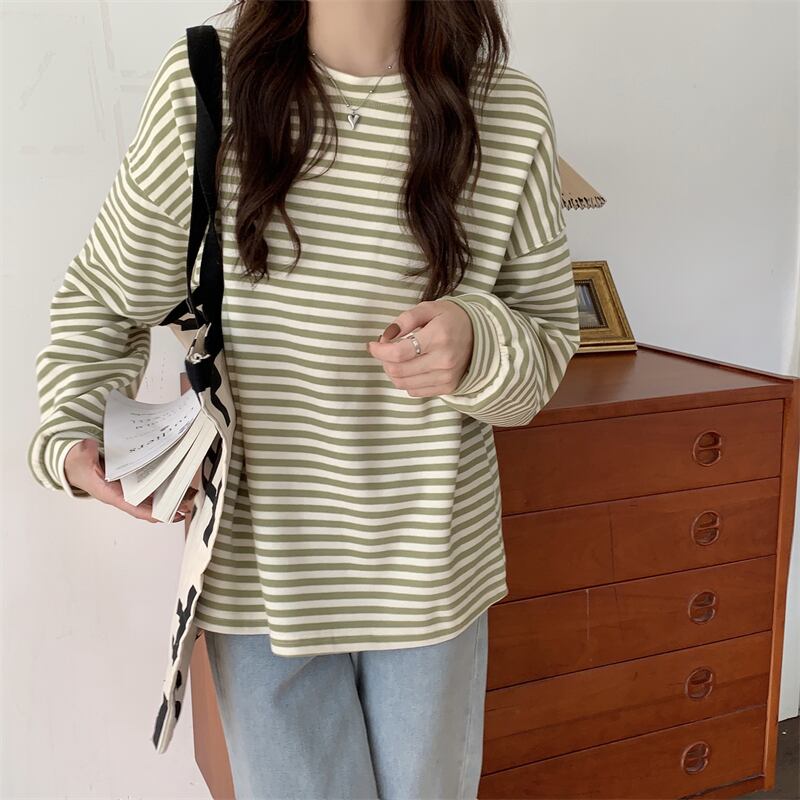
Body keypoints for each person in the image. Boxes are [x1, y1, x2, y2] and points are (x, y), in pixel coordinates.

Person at [27, 0, 581, 797]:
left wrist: (476, 338)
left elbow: (547, 346)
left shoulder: (508, 113)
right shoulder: (205, 86)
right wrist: (73, 439)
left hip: (432, 575)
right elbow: (101, 300)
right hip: (262, 578)